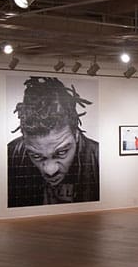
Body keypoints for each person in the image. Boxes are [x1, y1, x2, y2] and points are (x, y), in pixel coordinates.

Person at [8, 76, 99, 207]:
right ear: (24, 139)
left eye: (62, 152)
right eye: (36, 156)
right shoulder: (11, 155)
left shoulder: (97, 159)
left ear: (76, 135)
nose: (50, 171)